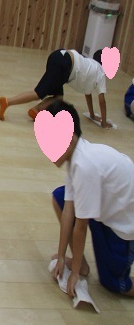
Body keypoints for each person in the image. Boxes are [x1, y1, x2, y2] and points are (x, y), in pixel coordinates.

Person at [45, 100, 133, 298]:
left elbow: (81, 226)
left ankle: (83, 267)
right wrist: (61, 256)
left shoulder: (85, 166)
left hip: (125, 224)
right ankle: (82, 264)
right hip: (106, 208)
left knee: (115, 284)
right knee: (60, 198)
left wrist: (74, 273)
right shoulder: (75, 158)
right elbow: (68, 210)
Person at [0, 49, 112, 128]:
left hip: (59, 56)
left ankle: (36, 110)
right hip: (64, 64)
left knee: (58, 97)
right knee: (38, 94)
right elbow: (102, 101)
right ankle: (7, 102)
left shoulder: (91, 65)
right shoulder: (101, 73)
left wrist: (92, 115)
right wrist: (104, 123)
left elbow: (88, 93)